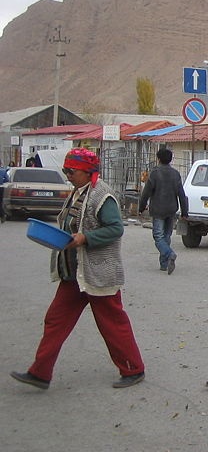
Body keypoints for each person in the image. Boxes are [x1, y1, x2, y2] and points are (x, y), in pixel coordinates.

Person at [10, 148, 145, 390]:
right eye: (66, 170)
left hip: (98, 273)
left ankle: (133, 369)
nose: (67, 175)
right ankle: (40, 373)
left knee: (112, 324)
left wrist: (85, 238)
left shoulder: (102, 195)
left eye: (71, 171)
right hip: (74, 275)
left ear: (86, 171)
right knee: (55, 320)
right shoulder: (77, 192)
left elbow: (116, 229)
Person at [138, 148, 188, 274]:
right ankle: (164, 264)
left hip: (158, 210)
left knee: (158, 237)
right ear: (170, 160)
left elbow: (146, 193)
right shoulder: (175, 174)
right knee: (167, 236)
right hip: (171, 210)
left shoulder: (155, 173)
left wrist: (141, 207)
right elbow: (182, 194)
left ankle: (169, 254)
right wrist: (184, 212)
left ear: (158, 159)